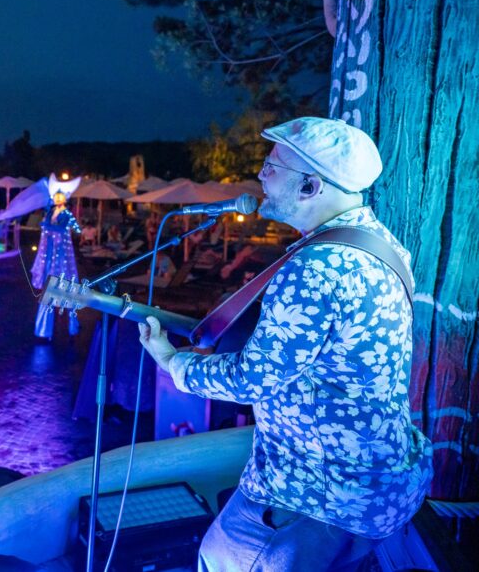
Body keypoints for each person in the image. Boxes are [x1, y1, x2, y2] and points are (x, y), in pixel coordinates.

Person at [137, 117, 432, 571]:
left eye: (272, 166)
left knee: (216, 560)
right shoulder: (381, 245)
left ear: (311, 186)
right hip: (376, 485)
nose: (260, 175)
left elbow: (252, 379)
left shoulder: (315, 268)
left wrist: (173, 361)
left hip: (314, 496)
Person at [31, 175, 82, 339]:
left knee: (66, 292)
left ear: (65, 198)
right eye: (56, 196)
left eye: (60, 196)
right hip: (49, 257)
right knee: (48, 292)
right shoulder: (50, 213)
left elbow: (71, 230)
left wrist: (50, 228)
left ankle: (72, 326)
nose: (57, 198)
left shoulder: (66, 214)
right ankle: (44, 330)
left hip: (61, 260)